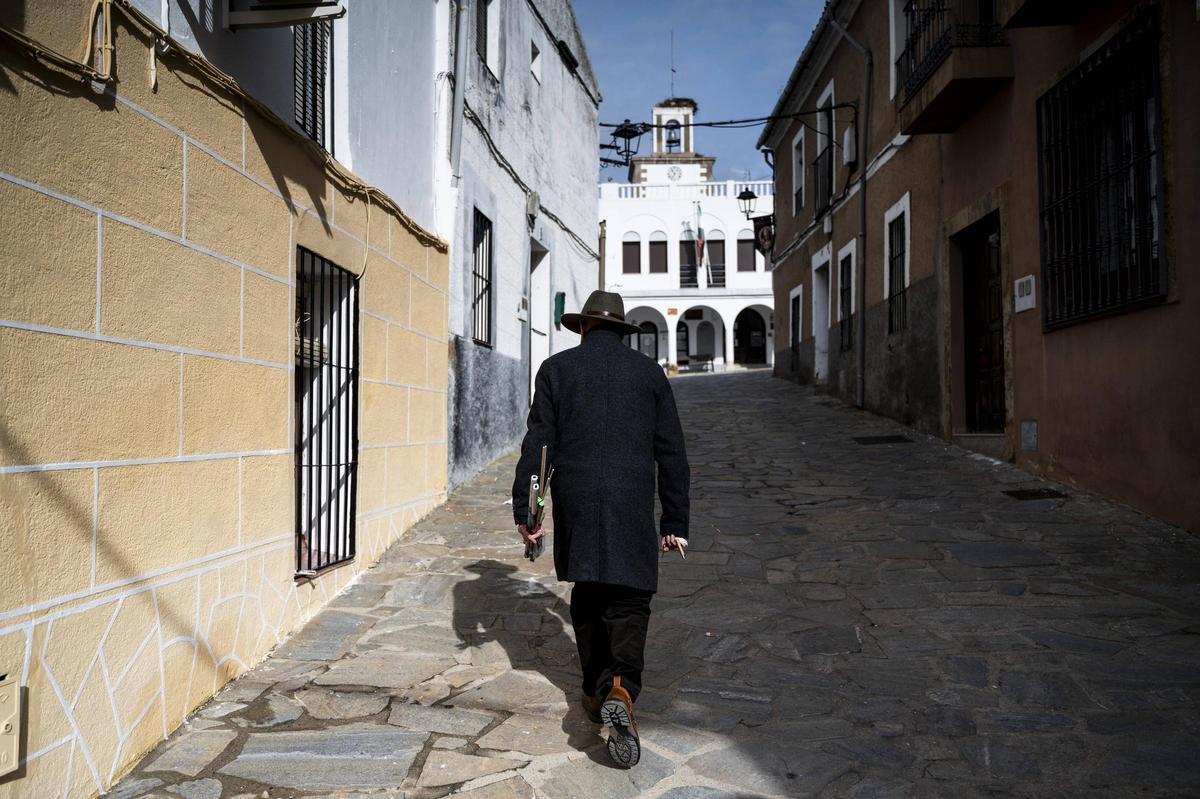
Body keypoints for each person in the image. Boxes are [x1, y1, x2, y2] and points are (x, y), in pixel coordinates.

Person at [512, 290, 690, 769]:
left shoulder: (556, 370)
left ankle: (595, 692)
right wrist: (674, 520)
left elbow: (538, 446)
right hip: (631, 500)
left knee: (589, 593)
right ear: (622, 331)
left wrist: (528, 514)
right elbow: (671, 451)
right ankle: (622, 688)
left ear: (584, 327)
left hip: (578, 499)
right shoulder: (650, 374)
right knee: (631, 597)